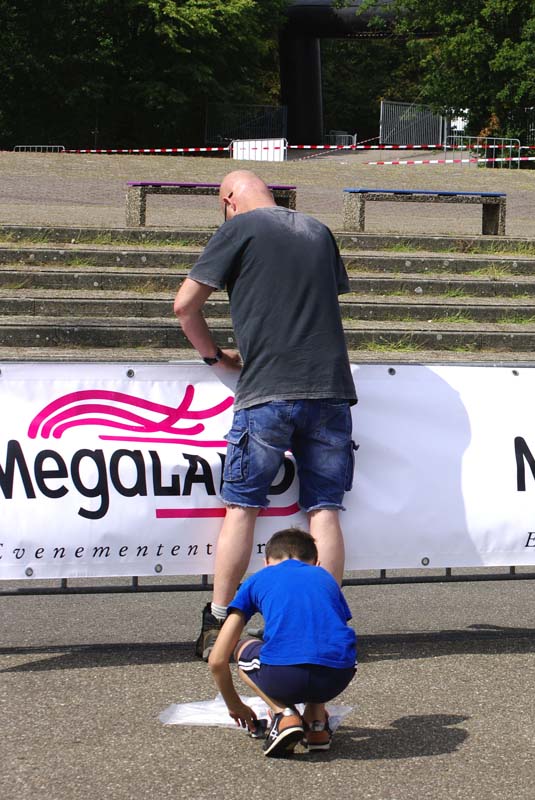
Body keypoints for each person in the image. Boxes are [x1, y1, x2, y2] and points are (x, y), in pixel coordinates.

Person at [173, 169, 358, 661]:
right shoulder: (318, 230)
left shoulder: (238, 228)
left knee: (242, 506)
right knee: (324, 509)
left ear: (229, 201)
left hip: (268, 388)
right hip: (330, 388)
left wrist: (214, 357)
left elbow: (185, 306)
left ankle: (218, 622)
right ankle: (323, 621)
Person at [208, 528, 357, 757]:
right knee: (320, 645)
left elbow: (217, 660)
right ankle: (316, 723)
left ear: (266, 562)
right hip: (336, 678)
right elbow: (332, 633)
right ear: (316, 562)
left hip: (284, 677)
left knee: (243, 646)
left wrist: (234, 704)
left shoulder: (258, 579)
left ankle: (284, 715)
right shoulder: (326, 578)